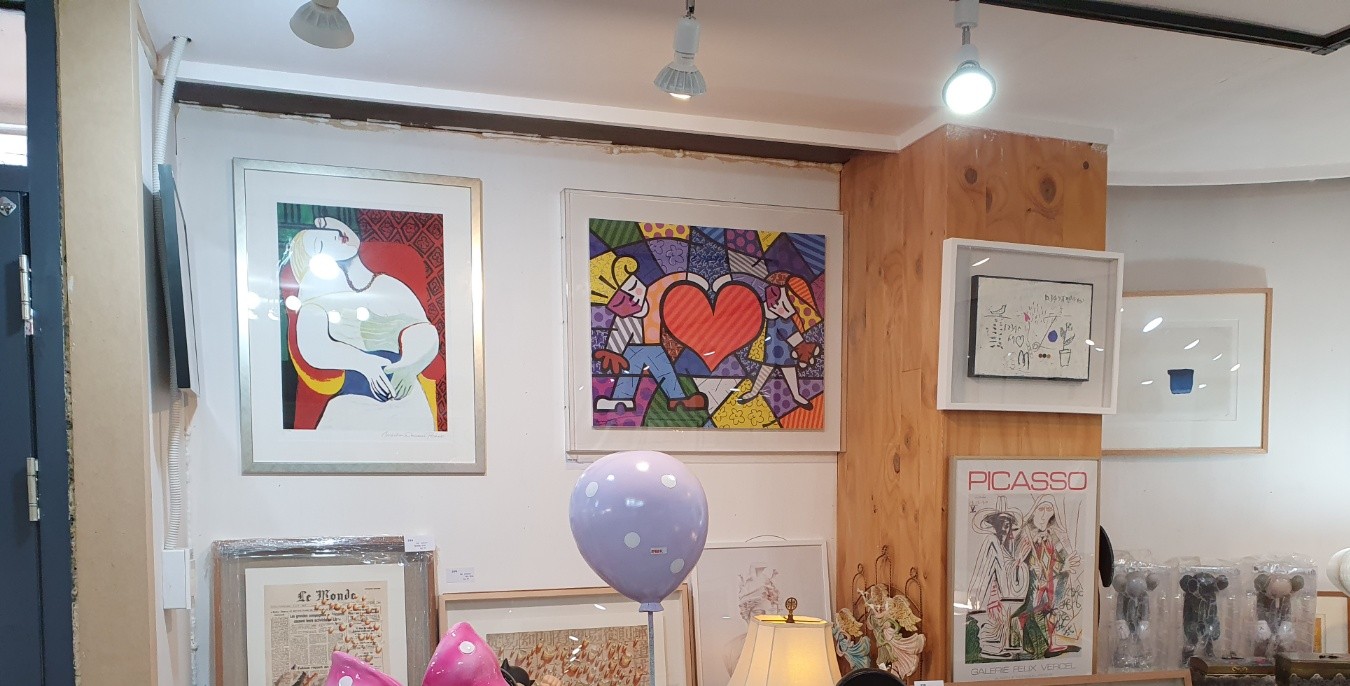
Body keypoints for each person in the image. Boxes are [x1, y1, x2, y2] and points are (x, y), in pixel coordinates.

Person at [282, 216, 441, 430]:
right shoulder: (317, 295)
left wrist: (410, 366)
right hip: (353, 407)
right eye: (321, 244)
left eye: (330, 230)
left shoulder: (390, 286)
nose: (335, 236)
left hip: (408, 404)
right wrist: (364, 363)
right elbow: (313, 348)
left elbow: (426, 332)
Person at [591, 256, 707, 413]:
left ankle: (674, 397)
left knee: (660, 366)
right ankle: (623, 398)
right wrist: (613, 352)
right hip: (640, 350)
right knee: (634, 362)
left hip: (657, 348)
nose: (632, 299)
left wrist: (694, 280)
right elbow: (619, 334)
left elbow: (672, 281)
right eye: (620, 302)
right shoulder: (625, 318)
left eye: (633, 287)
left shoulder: (655, 293)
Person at [1011, 496, 1082, 659]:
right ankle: (1021, 639)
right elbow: (1016, 560)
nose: (1044, 514)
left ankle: (1051, 643)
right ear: (1034, 511)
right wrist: (1028, 566)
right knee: (1032, 609)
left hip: (1053, 579)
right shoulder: (1025, 534)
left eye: (1048, 509)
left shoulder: (1056, 534)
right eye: (1041, 509)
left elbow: (1065, 557)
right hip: (1032, 582)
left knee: (1053, 609)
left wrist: (1067, 564)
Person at [738, 272, 821, 409]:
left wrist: (785, 313)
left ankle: (795, 395)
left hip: (780, 332)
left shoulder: (784, 295)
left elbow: (789, 313)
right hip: (772, 332)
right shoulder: (768, 295)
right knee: (768, 366)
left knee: (786, 366)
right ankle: (755, 392)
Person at [967, 497, 1027, 659]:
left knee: (1000, 621)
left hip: (1001, 593)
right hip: (990, 592)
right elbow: (993, 567)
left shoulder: (1003, 547)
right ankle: (990, 648)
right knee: (991, 621)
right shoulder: (991, 541)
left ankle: (997, 647)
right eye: (1000, 524)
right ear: (994, 525)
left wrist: (1018, 563)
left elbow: (1006, 566)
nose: (1004, 529)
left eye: (1007, 525)